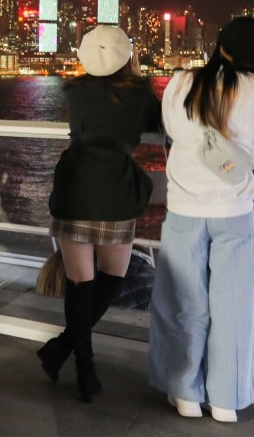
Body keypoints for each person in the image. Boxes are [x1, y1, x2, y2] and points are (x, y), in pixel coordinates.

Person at [149, 17, 254, 422]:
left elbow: (174, 128)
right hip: (234, 209)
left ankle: (185, 393)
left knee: (182, 303)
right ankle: (226, 400)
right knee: (233, 306)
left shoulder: (181, 82)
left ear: (220, 45)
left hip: (185, 209)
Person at [37, 25, 161, 402]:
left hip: (75, 185)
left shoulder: (74, 91)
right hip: (115, 190)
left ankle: (81, 367)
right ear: (126, 57)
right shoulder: (140, 92)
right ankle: (63, 351)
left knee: (80, 283)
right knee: (113, 275)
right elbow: (157, 124)